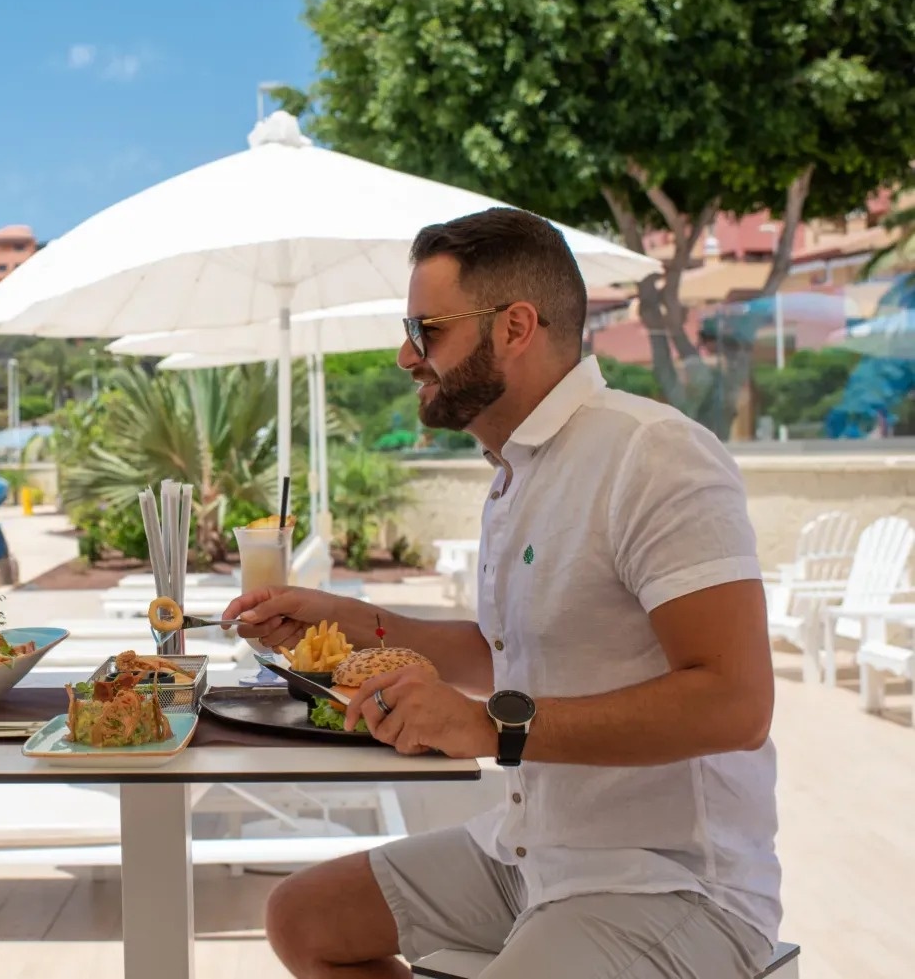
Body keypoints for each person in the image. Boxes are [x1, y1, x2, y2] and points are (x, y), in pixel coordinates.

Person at [223, 207, 780, 979]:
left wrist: (494, 729)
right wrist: (353, 622)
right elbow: (511, 652)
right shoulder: (518, 472)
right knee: (303, 918)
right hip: (531, 853)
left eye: (427, 330)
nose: (403, 355)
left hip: (670, 882)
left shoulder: (654, 456)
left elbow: (736, 703)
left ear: (514, 327)